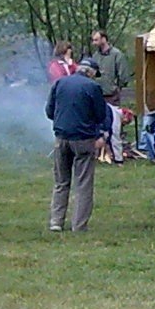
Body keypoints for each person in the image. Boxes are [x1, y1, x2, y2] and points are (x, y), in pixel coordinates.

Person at [45, 56, 112, 231]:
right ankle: (79, 225)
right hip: (83, 139)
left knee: (61, 182)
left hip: (61, 138)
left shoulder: (60, 83)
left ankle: (56, 222)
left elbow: (49, 111)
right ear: (91, 73)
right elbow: (100, 115)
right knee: (83, 184)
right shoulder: (93, 87)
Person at [90, 30, 132, 163]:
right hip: (97, 96)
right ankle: (99, 153)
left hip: (111, 95)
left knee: (113, 126)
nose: (94, 43)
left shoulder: (116, 54)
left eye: (96, 40)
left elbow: (124, 75)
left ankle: (116, 155)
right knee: (96, 125)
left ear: (104, 39)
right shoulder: (95, 56)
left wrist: (116, 88)